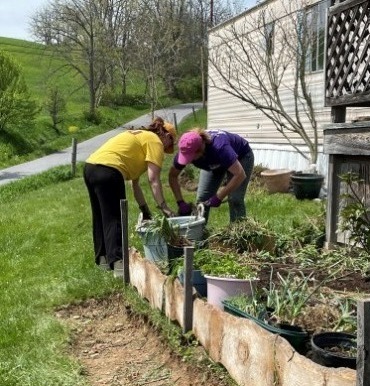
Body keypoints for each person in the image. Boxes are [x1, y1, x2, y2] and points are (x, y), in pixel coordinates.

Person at [83, 117, 176, 274]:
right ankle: (119, 265)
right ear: (167, 136)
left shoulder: (139, 137)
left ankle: (103, 259)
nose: (166, 149)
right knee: (115, 217)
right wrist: (164, 207)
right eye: (170, 144)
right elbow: (153, 180)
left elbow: (135, 184)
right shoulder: (155, 141)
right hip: (109, 170)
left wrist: (145, 210)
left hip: (90, 167)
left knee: (100, 215)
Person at [169, 128, 254, 224]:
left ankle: (238, 233)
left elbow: (240, 174)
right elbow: (172, 176)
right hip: (214, 163)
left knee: (235, 198)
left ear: (200, 150)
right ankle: (199, 233)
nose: (187, 161)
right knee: (202, 199)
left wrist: (219, 197)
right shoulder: (186, 149)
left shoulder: (220, 148)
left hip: (241, 156)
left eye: (190, 157)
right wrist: (180, 202)